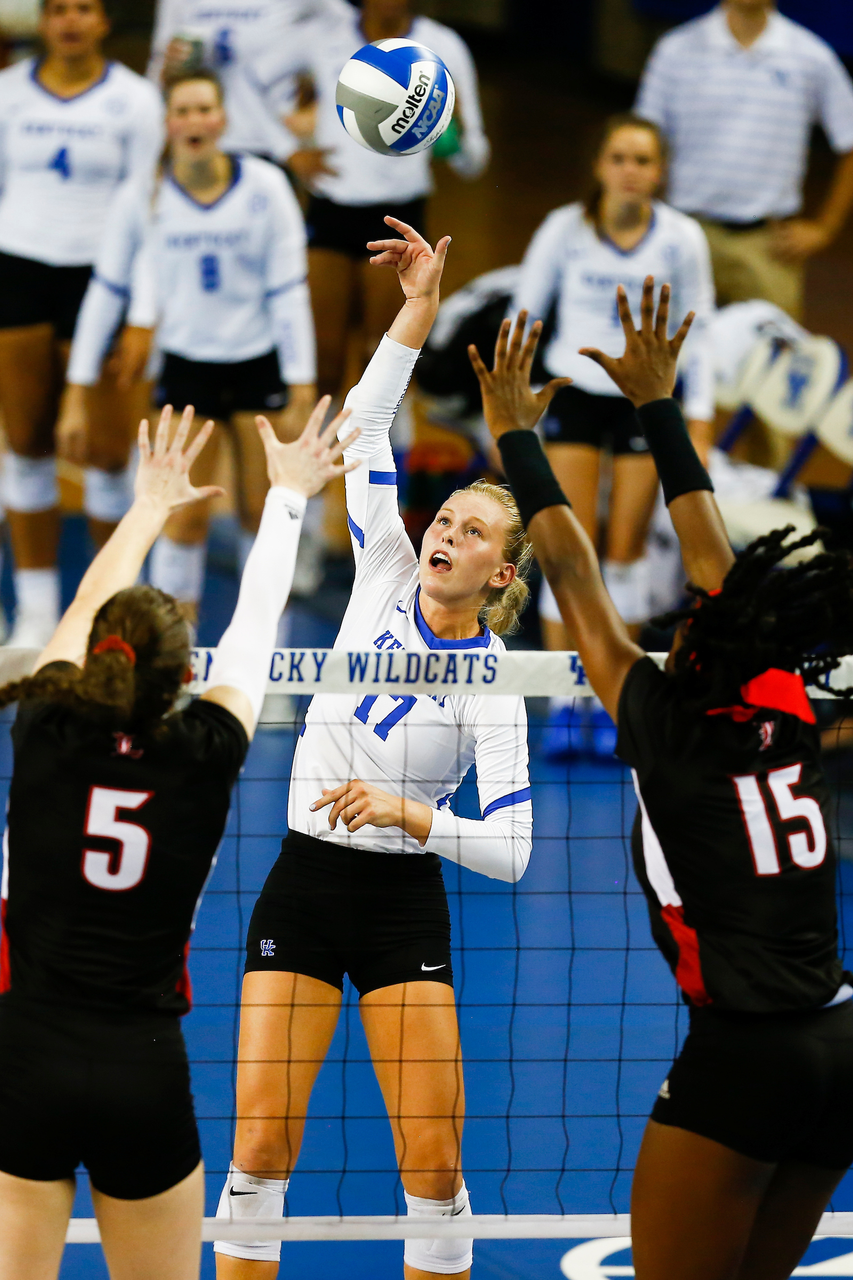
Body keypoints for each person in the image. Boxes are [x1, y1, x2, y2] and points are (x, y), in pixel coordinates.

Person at [470, 280, 853, 1280]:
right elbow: (712, 552)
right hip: (839, 1038)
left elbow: (570, 568)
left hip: (746, 1056)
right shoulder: (782, 696)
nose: (686, 609)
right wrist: (657, 404)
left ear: (694, 642)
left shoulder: (666, 726)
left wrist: (512, 432)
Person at [212, 220, 532, 1280]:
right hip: (303, 882)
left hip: (403, 903)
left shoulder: (501, 685)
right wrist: (415, 310)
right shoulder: (385, 568)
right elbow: (365, 425)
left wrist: (411, 816)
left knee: (433, 1162)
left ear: (498, 573)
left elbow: (515, 852)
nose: (444, 533)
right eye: (444, 516)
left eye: (472, 532)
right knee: (260, 1145)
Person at [0, 393, 358, 1280]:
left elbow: (85, 598)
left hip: (25, 1061)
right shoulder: (205, 752)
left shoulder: (44, 724)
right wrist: (287, 495)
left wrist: (149, 506)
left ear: (93, 658)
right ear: (181, 679)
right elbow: (255, 636)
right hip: (142, 1071)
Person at [61, 68, 317, 621]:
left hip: (258, 367)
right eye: (182, 110)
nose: (194, 120)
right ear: (168, 123)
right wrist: (78, 391)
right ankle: (176, 664)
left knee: (263, 512)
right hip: (185, 371)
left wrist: (301, 381)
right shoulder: (143, 198)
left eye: (204, 109)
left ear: (223, 119)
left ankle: (262, 656)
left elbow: (289, 290)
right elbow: (107, 293)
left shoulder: (267, 189)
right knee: (181, 516)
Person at [511, 112, 714, 756]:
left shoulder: (682, 238)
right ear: (599, 166)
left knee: (624, 550)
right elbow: (523, 310)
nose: (631, 171)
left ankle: (612, 701)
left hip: (642, 400)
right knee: (568, 550)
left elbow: (699, 331)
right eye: (620, 158)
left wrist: (698, 419)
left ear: (661, 172)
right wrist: (513, 399)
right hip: (573, 397)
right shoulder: (563, 231)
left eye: (644, 160)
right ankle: (566, 701)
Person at [0, 0, 163, 648]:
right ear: (42, 21)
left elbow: (152, 208)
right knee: (27, 443)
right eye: (58, 9)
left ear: (104, 21)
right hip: (19, 270)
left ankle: (117, 611)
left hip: (106, 276)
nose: (70, 21)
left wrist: (145, 312)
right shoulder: (9, 93)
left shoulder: (136, 101)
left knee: (104, 452)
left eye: (84, 8)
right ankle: (36, 614)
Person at [254, 0, 489, 403]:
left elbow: (475, 162)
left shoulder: (441, 45)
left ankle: (383, 460)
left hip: (398, 219)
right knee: (321, 360)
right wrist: (287, 150)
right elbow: (250, 78)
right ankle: (323, 459)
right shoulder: (324, 35)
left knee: (381, 363)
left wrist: (457, 131)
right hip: (329, 210)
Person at [635, 0, 853, 321]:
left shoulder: (812, 56)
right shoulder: (675, 50)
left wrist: (826, 228)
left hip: (768, 247)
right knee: (668, 358)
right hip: (682, 234)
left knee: (772, 363)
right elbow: (643, 141)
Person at [147, 0, 349, 163]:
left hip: (275, 145)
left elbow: (354, 35)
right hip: (202, 143)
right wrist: (170, 70)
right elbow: (156, 76)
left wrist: (321, 109)